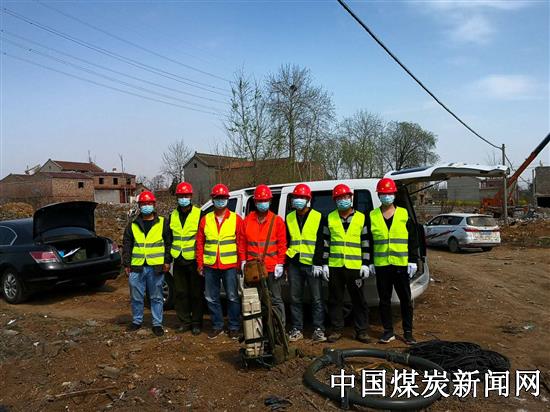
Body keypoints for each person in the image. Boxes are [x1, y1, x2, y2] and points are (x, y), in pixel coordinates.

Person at [368, 178, 419, 345]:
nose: (386, 196)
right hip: (382, 265)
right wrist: (369, 261)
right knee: (384, 300)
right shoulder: (373, 215)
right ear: (379, 195)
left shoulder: (404, 214)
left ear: (394, 195)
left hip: (401, 264)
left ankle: (408, 332)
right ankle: (388, 331)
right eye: (383, 194)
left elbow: (413, 239)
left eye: (389, 193)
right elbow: (369, 241)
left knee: (405, 299)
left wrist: (413, 260)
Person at [323, 183, 371, 343]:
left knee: (359, 300)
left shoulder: (361, 217)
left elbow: (366, 242)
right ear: (335, 201)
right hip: (335, 265)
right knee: (334, 299)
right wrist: (324, 264)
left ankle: (361, 331)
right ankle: (336, 330)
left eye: (345, 197)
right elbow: (325, 242)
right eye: (339, 198)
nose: (343, 200)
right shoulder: (330, 218)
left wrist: (366, 263)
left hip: (355, 266)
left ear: (351, 198)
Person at [196, 183, 243, 340]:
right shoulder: (205, 219)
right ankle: (217, 326)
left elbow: (241, 243)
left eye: (223, 197)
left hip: (230, 265)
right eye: (218, 198)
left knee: (232, 297)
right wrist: (200, 263)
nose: (221, 200)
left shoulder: (236, 219)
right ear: (213, 199)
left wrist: (240, 263)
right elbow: (200, 243)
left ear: (227, 199)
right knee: (211, 297)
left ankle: (234, 326)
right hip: (210, 265)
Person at [122, 191, 171, 337]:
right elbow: (127, 245)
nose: (146, 206)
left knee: (156, 297)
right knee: (136, 297)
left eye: (149, 203)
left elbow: (169, 243)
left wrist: (167, 261)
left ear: (154, 205)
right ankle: (137, 321)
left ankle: (157, 324)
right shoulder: (132, 225)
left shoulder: (163, 223)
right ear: (139, 206)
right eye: (143, 204)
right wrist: (126, 264)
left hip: (156, 267)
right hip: (136, 267)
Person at [238, 184, 287, 327]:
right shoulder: (247, 221)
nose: (263, 203)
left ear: (270, 201)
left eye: (265, 200)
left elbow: (282, 244)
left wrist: (280, 263)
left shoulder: (277, 221)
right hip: (253, 268)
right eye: (260, 201)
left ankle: (279, 328)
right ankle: (259, 328)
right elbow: (241, 243)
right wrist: (243, 261)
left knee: (275, 299)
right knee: (255, 300)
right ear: (255, 202)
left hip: (271, 268)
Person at [285, 184, 326, 342]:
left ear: (308, 199)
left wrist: (318, 262)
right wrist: (286, 263)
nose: (298, 200)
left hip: (312, 264)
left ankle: (318, 329)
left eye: (302, 197)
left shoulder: (318, 216)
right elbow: (288, 240)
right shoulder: (289, 217)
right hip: (294, 264)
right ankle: (297, 328)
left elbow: (322, 241)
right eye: (296, 197)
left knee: (317, 298)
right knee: (295, 298)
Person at [167, 182, 203, 335]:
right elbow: (169, 239)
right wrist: (168, 259)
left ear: (191, 196)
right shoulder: (172, 216)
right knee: (180, 293)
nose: (183, 198)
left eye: (186, 195)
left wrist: (201, 260)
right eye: (181, 196)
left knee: (196, 293)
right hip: (178, 260)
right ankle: (184, 322)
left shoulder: (199, 214)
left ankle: (196, 323)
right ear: (177, 197)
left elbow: (203, 238)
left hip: (194, 260)